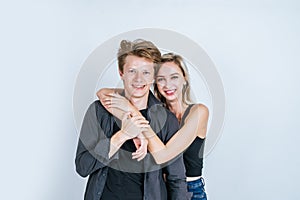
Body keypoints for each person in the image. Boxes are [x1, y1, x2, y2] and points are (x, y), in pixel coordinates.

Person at [75, 40, 189, 200]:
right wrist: (122, 135)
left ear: (154, 76)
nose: (138, 79)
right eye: (132, 71)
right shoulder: (98, 111)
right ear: (121, 72)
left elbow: (176, 179)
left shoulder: (167, 120)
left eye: (146, 72)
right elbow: (82, 167)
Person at [98, 53, 209, 200]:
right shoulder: (157, 112)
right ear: (154, 82)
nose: (168, 85)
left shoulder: (199, 112)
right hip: (160, 189)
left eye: (174, 77)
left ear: (185, 79)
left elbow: (163, 155)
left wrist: (133, 114)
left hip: (190, 190)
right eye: (161, 79)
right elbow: (103, 93)